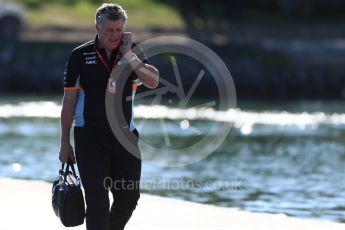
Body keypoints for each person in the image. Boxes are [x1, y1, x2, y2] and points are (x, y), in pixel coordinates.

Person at [58, 3, 159, 230]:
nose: (114, 35)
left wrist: (129, 55)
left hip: (125, 139)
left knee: (129, 198)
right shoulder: (80, 56)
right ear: (97, 27)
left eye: (119, 30)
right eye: (109, 30)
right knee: (97, 202)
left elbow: (153, 81)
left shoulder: (132, 51)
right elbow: (69, 102)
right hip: (90, 138)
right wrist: (64, 142)